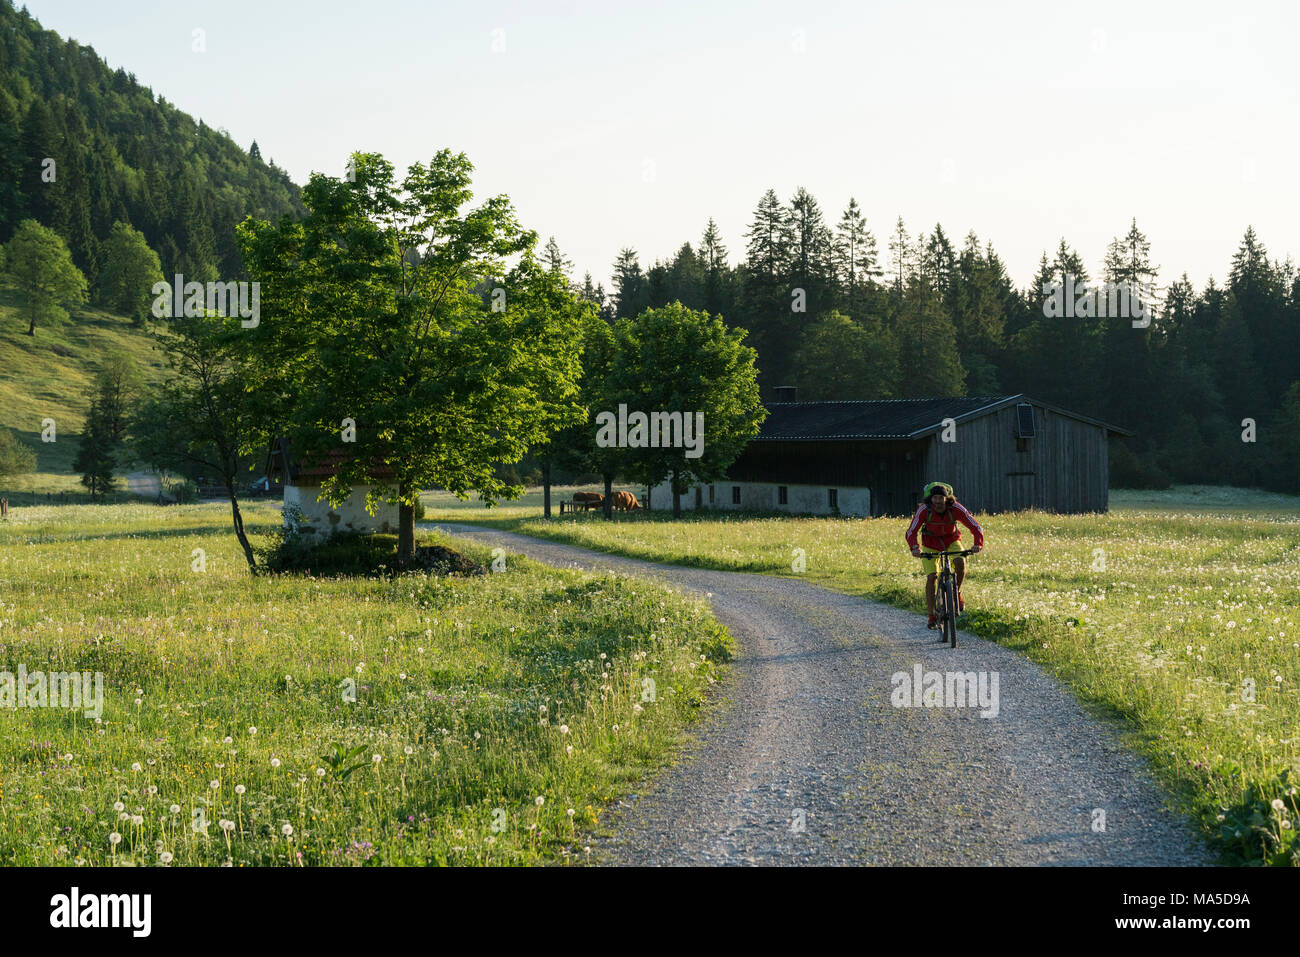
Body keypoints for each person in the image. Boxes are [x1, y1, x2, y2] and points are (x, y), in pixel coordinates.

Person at [904, 481, 984, 631]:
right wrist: (915, 548)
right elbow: (911, 532)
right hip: (930, 544)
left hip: (951, 541)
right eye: (935, 498)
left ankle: (956, 592)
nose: (938, 501)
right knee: (932, 577)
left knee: (960, 563)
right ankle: (931, 615)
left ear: (947, 499)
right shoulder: (924, 510)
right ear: (931, 499)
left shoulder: (956, 508)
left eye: (941, 498)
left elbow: (975, 526)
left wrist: (978, 544)